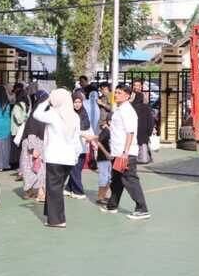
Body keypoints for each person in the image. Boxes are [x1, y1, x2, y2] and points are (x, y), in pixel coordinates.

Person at [93, 84, 150, 220]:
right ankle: (112, 205)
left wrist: (125, 152)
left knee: (130, 180)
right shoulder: (119, 110)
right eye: (116, 92)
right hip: (117, 152)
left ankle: (142, 209)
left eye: (119, 93)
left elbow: (130, 132)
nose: (116, 95)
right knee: (117, 180)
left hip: (126, 153)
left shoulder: (127, 111)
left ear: (127, 96)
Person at [35, 88, 80, 228]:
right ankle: (50, 213)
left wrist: (47, 101)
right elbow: (77, 139)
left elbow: (36, 114)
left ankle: (57, 220)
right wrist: (76, 156)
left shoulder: (54, 114)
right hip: (69, 157)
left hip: (55, 156)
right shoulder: (74, 116)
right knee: (57, 187)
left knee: (54, 188)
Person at [64, 91, 91, 199]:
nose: (77, 104)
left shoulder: (84, 113)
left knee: (78, 168)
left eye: (79, 102)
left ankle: (68, 188)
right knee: (75, 169)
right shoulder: (68, 114)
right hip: (72, 146)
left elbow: (88, 127)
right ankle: (78, 191)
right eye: (75, 102)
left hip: (83, 146)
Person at [19, 100, 46, 202]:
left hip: (36, 146)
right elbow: (31, 133)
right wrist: (33, 148)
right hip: (33, 146)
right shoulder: (35, 118)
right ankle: (39, 193)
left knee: (34, 169)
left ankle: (30, 191)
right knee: (36, 169)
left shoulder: (39, 117)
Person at [10, 88, 31, 176]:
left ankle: (19, 168)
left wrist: (24, 119)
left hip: (17, 130)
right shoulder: (27, 105)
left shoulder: (17, 106)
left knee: (17, 151)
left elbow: (19, 119)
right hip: (23, 130)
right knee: (22, 150)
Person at [133, 89, 155, 165]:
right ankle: (144, 158)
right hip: (144, 131)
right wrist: (150, 130)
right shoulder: (146, 108)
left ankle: (136, 158)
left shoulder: (131, 107)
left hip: (134, 130)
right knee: (143, 144)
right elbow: (151, 121)